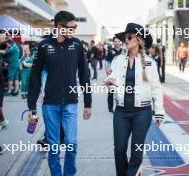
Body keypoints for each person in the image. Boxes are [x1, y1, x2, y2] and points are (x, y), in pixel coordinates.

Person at [27, 11, 92, 176]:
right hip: (50, 104)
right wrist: (31, 107)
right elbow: (34, 76)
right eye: (72, 27)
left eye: (75, 27)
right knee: (53, 146)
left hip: (70, 103)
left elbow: (84, 74)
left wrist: (88, 103)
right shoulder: (44, 46)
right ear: (59, 27)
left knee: (71, 143)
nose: (74, 30)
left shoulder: (77, 45)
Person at [105, 23, 164, 176]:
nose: (126, 40)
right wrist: (110, 83)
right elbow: (112, 78)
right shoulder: (117, 60)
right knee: (119, 150)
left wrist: (159, 112)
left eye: (129, 37)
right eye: (124, 37)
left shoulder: (150, 62)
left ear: (138, 40)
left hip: (142, 113)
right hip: (121, 112)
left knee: (136, 153)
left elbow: (156, 88)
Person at [106, 36, 122, 112]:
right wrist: (108, 73)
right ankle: (110, 107)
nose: (117, 43)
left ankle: (119, 107)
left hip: (121, 74)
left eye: (118, 41)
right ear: (113, 42)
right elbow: (107, 62)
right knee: (111, 91)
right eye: (115, 41)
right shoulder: (110, 51)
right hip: (112, 74)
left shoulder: (124, 51)